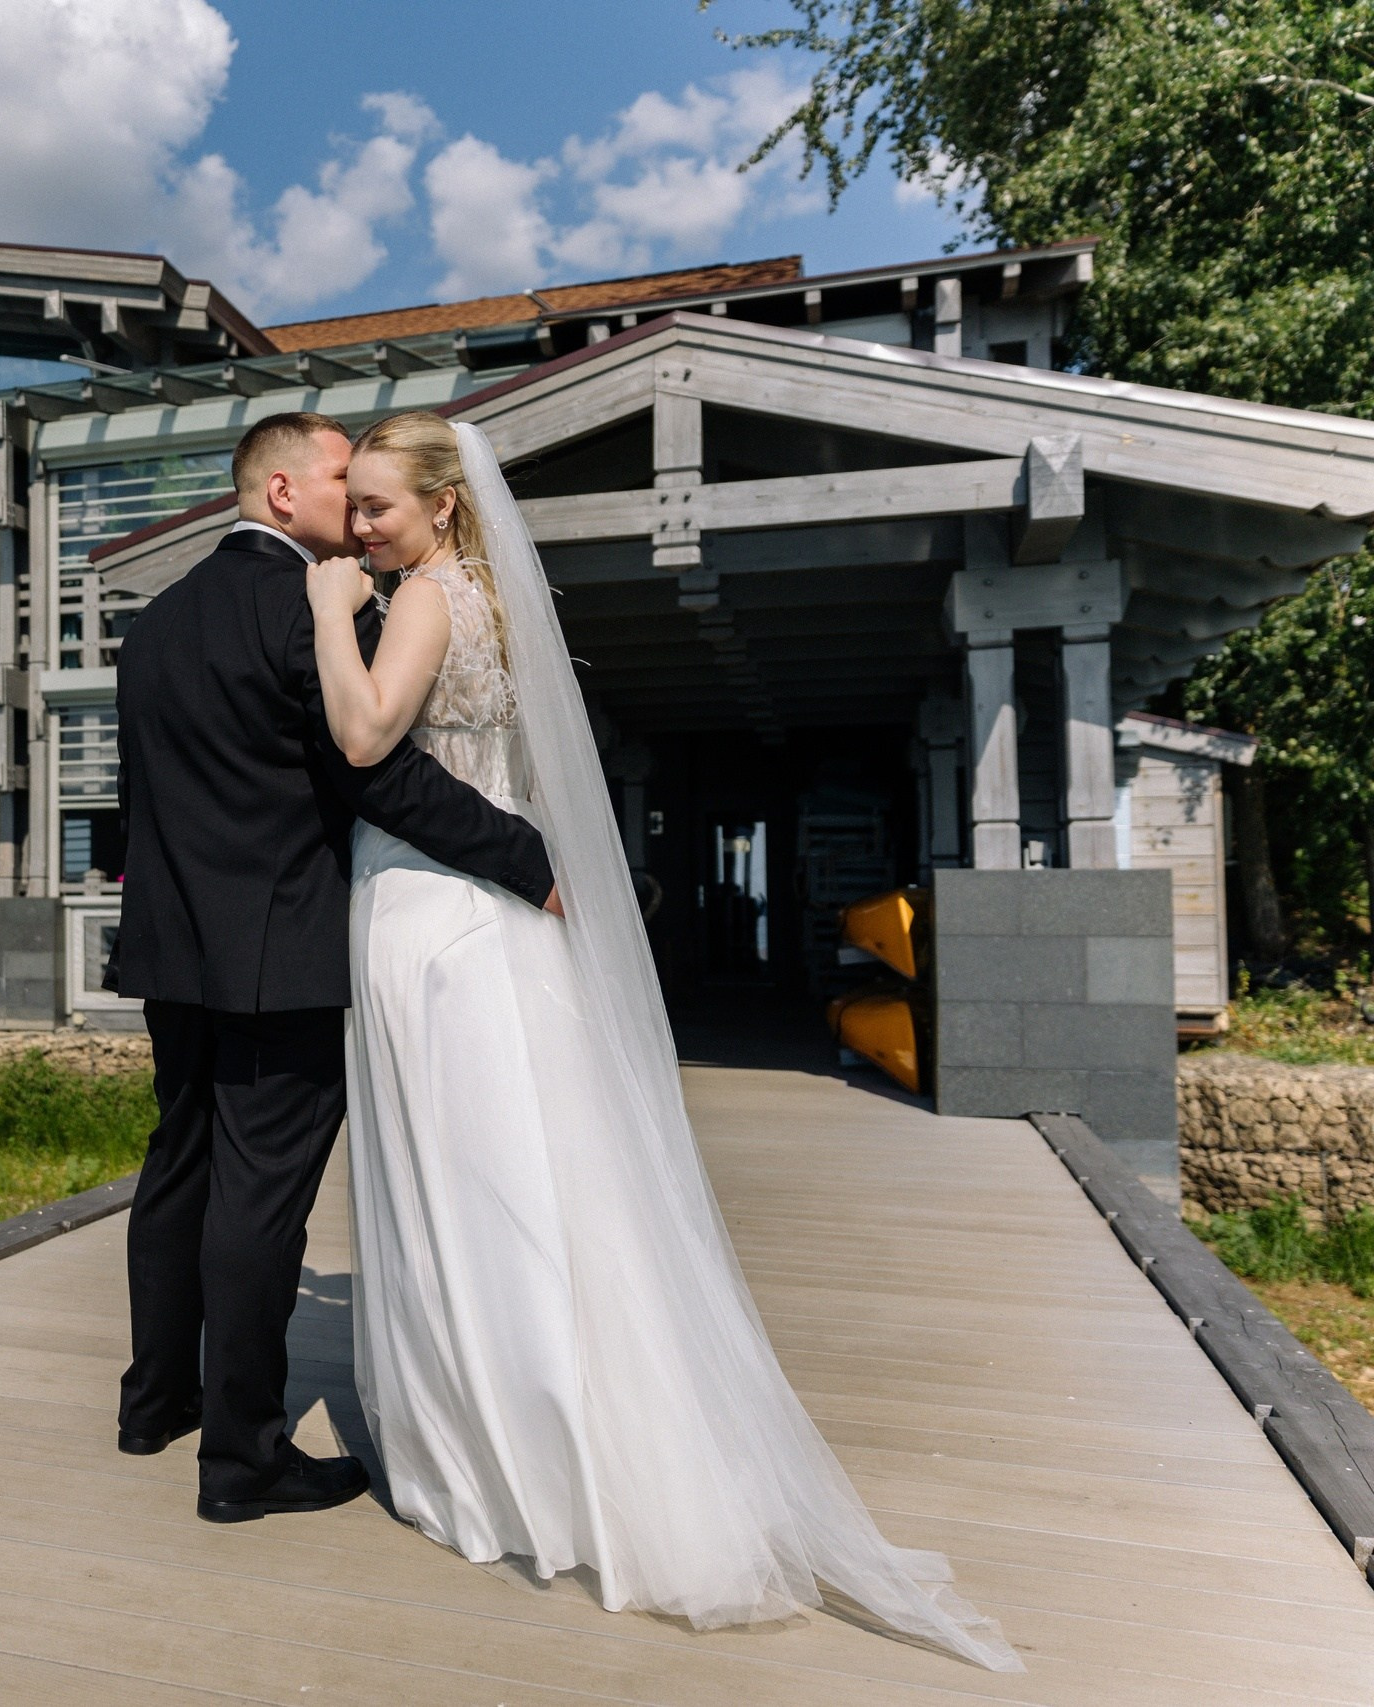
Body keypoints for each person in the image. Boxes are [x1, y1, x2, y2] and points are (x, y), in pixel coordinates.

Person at [302, 410, 1022, 1671]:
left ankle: (499, 1461)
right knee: (521, 1177)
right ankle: (562, 1448)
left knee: (461, 1185)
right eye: (350, 506)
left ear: (441, 507)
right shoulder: (491, 606)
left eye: (376, 505)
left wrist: (323, 604)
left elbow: (365, 739)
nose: (360, 525)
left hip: (430, 915)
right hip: (484, 920)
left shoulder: (415, 603)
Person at [106, 411, 560, 1524]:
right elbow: (379, 778)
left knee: (178, 1172)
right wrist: (526, 859)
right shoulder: (313, 610)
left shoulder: (153, 624)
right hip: (282, 948)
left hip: (174, 946)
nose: (354, 507)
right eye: (339, 481)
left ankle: (155, 1400)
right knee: (262, 1201)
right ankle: (243, 1459)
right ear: (280, 495)